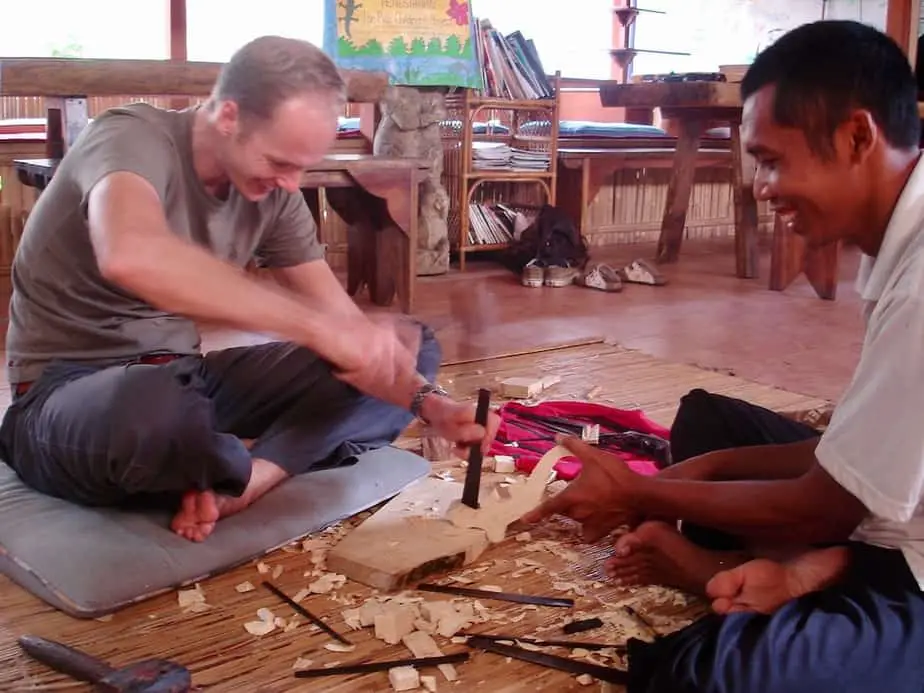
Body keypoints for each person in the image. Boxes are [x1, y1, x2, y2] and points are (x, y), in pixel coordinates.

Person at [524, 20, 924, 692]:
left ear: (858, 137)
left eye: (771, 160)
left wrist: (642, 489)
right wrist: (702, 471)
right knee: (706, 422)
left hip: (910, 565)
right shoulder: (900, 240)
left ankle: (763, 577)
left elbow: (827, 506)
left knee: (720, 673)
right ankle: (785, 572)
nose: (762, 186)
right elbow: (852, 453)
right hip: (885, 510)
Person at [0, 36, 499, 543]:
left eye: (303, 166)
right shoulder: (129, 138)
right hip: (66, 396)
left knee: (414, 343)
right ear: (228, 117)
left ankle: (252, 475)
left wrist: (428, 403)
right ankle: (228, 455)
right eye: (281, 162)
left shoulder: (272, 193)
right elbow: (132, 254)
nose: (291, 183)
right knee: (152, 411)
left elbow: (346, 330)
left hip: (186, 381)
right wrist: (311, 326)